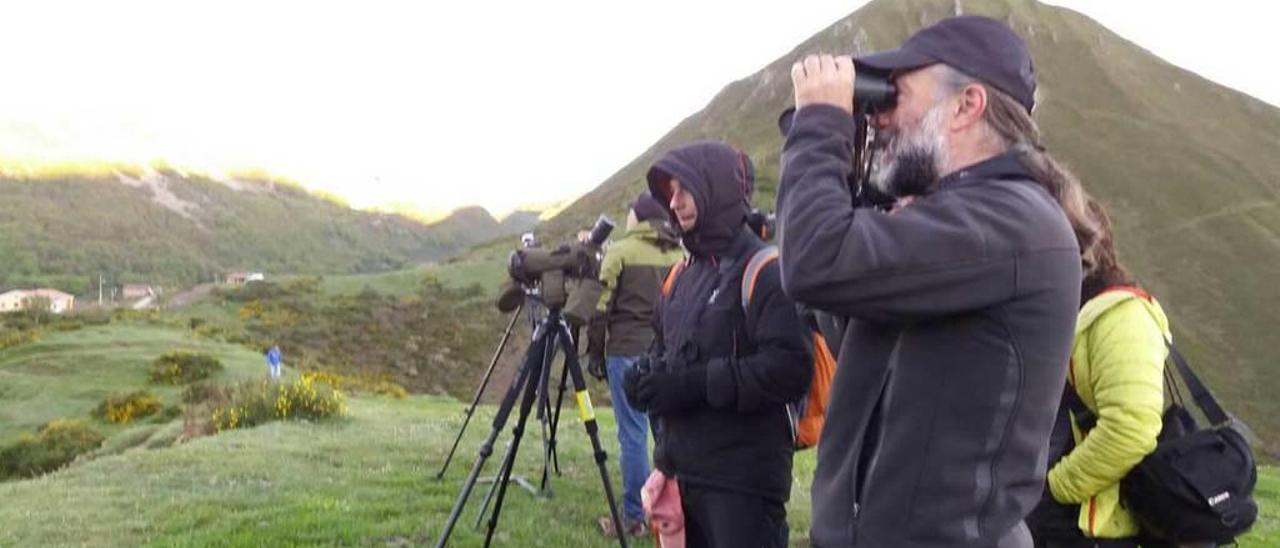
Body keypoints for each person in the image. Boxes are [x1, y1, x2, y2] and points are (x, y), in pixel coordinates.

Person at [777, 16, 1099, 547]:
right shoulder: (954, 218)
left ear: (966, 105)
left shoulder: (1013, 223)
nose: (878, 117)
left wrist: (820, 124)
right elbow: (839, 318)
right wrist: (860, 181)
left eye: (893, 96)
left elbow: (813, 259)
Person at [624, 141, 813, 548]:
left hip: (742, 485)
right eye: (669, 192)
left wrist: (693, 385)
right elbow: (663, 349)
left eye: (685, 189)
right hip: (684, 476)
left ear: (717, 190)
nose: (674, 203)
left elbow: (790, 370)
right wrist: (645, 379)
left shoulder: (765, 269)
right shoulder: (680, 274)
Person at [1030, 199, 1181, 548]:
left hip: (1087, 527)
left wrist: (1053, 489)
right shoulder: (1068, 308)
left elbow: (1131, 428)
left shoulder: (1120, 317)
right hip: (1055, 520)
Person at [585, 191, 685, 537]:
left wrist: (595, 353)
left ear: (638, 218)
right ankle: (673, 513)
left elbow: (600, 308)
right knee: (667, 432)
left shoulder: (621, 252)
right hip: (669, 355)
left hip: (626, 350)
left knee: (632, 435)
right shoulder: (680, 251)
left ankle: (634, 517)